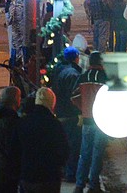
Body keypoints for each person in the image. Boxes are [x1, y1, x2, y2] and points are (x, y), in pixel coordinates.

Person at [18, 87, 71, 193]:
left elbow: (15, 148)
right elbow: (64, 150)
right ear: (52, 103)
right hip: (49, 177)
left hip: (27, 175)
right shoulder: (55, 124)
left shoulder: (23, 122)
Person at [73, 51, 109, 193]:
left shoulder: (83, 77)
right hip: (101, 120)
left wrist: (83, 108)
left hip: (87, 119)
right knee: (98, 153)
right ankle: (94, 185)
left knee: (85, 152)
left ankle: (79, 184)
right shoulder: (106, 78)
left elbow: (74, 95)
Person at [50, 47, 83, 183]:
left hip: (60, 111)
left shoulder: (59, 69)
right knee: (73, 145)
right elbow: (73, 95)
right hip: (69, 114)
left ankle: (64, 170)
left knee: (64, 143)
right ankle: (70, 173)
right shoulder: (72, 74)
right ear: (76, 58)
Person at [0, 86, 22, 193]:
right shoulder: (10, 121)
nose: (20, 100)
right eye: (19, 97)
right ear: (14, 99)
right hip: (9, 173)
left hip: (0, 171)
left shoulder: (0, 117)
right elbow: (12, 149)